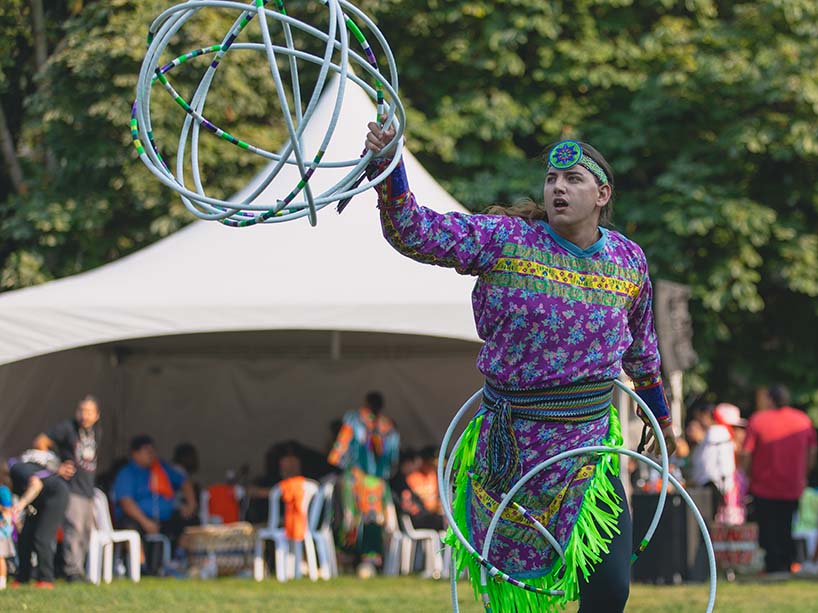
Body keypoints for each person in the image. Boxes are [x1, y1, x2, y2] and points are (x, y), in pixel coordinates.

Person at [364, 128, 676, 611]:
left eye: (573, 179)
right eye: (552, 178)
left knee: (610, 590)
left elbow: (643, 352)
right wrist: (389, 165)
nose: (558, 188)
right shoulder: (506, 241)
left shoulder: (627, 261)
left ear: (602, 195)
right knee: (517, 602)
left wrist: (661, 417)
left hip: (587, 452)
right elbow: (413, 231)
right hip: (511, 455)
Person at [741, 384, 817, 575]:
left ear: (770, 399)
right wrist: (804, 474)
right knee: (787, 524)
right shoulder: (803, 420)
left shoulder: (758, 420)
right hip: (792, 485)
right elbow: (812, 451)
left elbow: (746, 453)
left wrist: (748, 474)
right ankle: (787, 561)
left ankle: (773, 563)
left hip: (763, 484)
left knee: (767, 526)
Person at [327, 391, 400, 578]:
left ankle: (351, 559)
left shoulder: (355, 421)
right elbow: (393, 461)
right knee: (355, 518)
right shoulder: (386, 426)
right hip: (370, 482)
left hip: (358, 480)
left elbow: (339, 454)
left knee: (351, 518)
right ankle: (365, 561)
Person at [32, 394, 101, 582]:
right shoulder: (67, 428)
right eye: (81, 411)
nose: (84, 416)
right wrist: (56, 466)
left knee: (85, 532)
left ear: (97, 415)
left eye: (89, 412)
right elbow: (40, 441)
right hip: (71, 488)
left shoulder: (96, 432)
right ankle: (72, 571)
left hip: (87, 489)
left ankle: (78, 568)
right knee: (73, 530)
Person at [111, 435, 197, 574]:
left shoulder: (161, 468)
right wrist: (146, 522)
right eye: (147, 451)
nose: (152, 455)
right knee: (131, 528)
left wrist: (191, 504)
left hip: (164, 517)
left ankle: (177, 561)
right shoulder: (126, 473)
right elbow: (126, 503)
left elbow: (184, 482)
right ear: (135, 454)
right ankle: (140, 566)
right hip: (137, 518)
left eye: (153, 451)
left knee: (191, 522)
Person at [8, 450, 70, 588]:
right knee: (25, 536)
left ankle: (46, 579)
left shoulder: (16, 469)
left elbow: (36, 485)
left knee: (42, 537)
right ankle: (23, 578)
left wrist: (20, 505)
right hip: (40, 501)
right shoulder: (17, 471)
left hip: (56, 495)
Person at [0, 459, 15, 590]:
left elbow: (7, 509)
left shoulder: (3, 490)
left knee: (0, 556)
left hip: (2, 529)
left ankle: (2, 582)